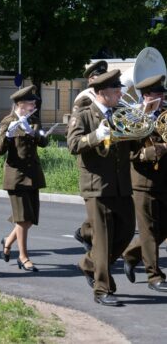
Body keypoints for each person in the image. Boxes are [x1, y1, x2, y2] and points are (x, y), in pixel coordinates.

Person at [67, 69, 135, 307]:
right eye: (115, 90)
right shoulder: (84, 115)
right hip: (97, 186)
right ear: (101, 93)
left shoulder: (122, 113)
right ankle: (102, 289)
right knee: (104, 239)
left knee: (126, 232)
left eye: (119, 89)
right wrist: (96, 135)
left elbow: (133, 146)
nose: (120, 94)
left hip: (121, 186)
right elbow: (74, 144)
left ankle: (88, 264)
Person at [122, 75, 167, 292]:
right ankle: (154, 276)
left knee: (163, 228)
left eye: (163, 93)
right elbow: (127, 153)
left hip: (164, 180)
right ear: (146, 96)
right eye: (158, 94)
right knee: (148, 231)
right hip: (143, 182)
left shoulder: (166, 115)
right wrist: (149, 152)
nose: (162, 97)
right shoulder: (133, 117)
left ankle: (131, 255)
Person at [0, 85, 49, 273]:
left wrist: (32, 131)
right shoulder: (7, 120)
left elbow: (44, 142)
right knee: (22, 219)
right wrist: (8, 135)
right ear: (20, 104)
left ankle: (8, 241)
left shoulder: (34, 121)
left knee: (30, 219)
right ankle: (23, 256)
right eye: (30, 102)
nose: (34, 104)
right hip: (16, 176)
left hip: (33, 175)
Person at [72, 60, 108, 252]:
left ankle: (85, 231)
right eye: (99, 76)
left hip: (110, 157)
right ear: (91, 79)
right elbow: (77, 134)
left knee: (104, 210)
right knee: (98, 209)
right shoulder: (84, 100)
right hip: (92, 158)